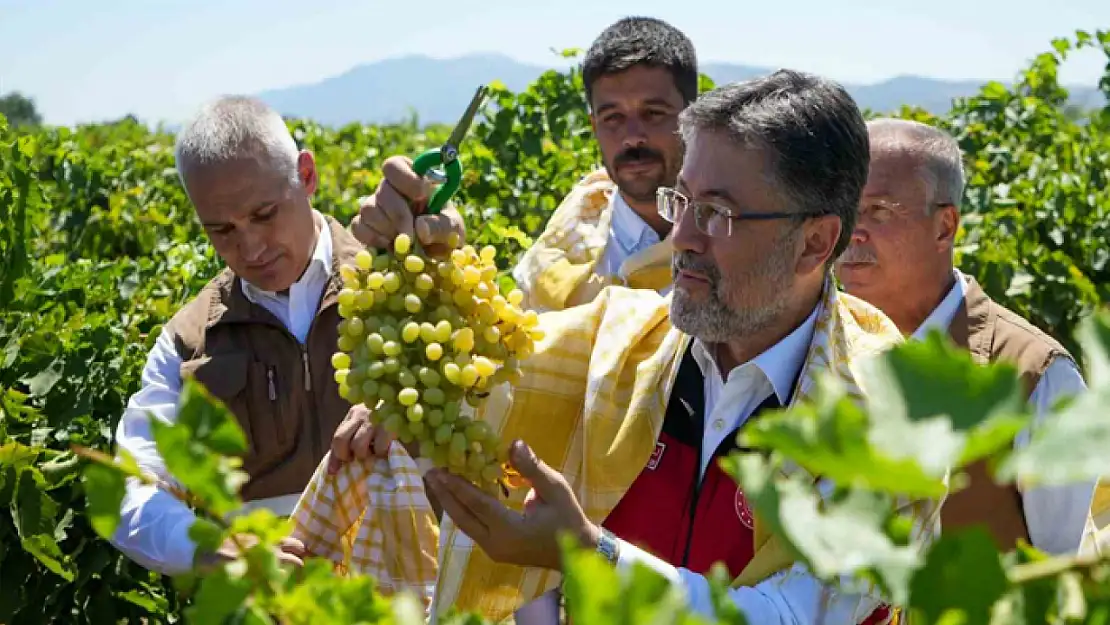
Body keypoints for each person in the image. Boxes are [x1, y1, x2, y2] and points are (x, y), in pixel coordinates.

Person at [300, 69, 942, 624]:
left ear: (815, 242)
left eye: (715, 214)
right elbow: (482, 363)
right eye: (681, 200)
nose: (681, 236)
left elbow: (787, 616)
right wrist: (423, 253)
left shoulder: (889, 418)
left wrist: (587, 552)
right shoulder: (626, 345)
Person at [108, 95, 437, 580]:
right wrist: (217, 550)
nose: (251, 247)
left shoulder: (399, 283)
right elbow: (130, 489)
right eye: (222, 231)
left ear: (306, 176)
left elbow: (503, 407)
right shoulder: (189, 341)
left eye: (264, 214)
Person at [834, 117, 1092, 556]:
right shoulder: (820, 342)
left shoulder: (1034, 377)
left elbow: (1057, 570)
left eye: (878, 211)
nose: (852, 232)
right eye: (843, 209)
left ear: (944, 227)